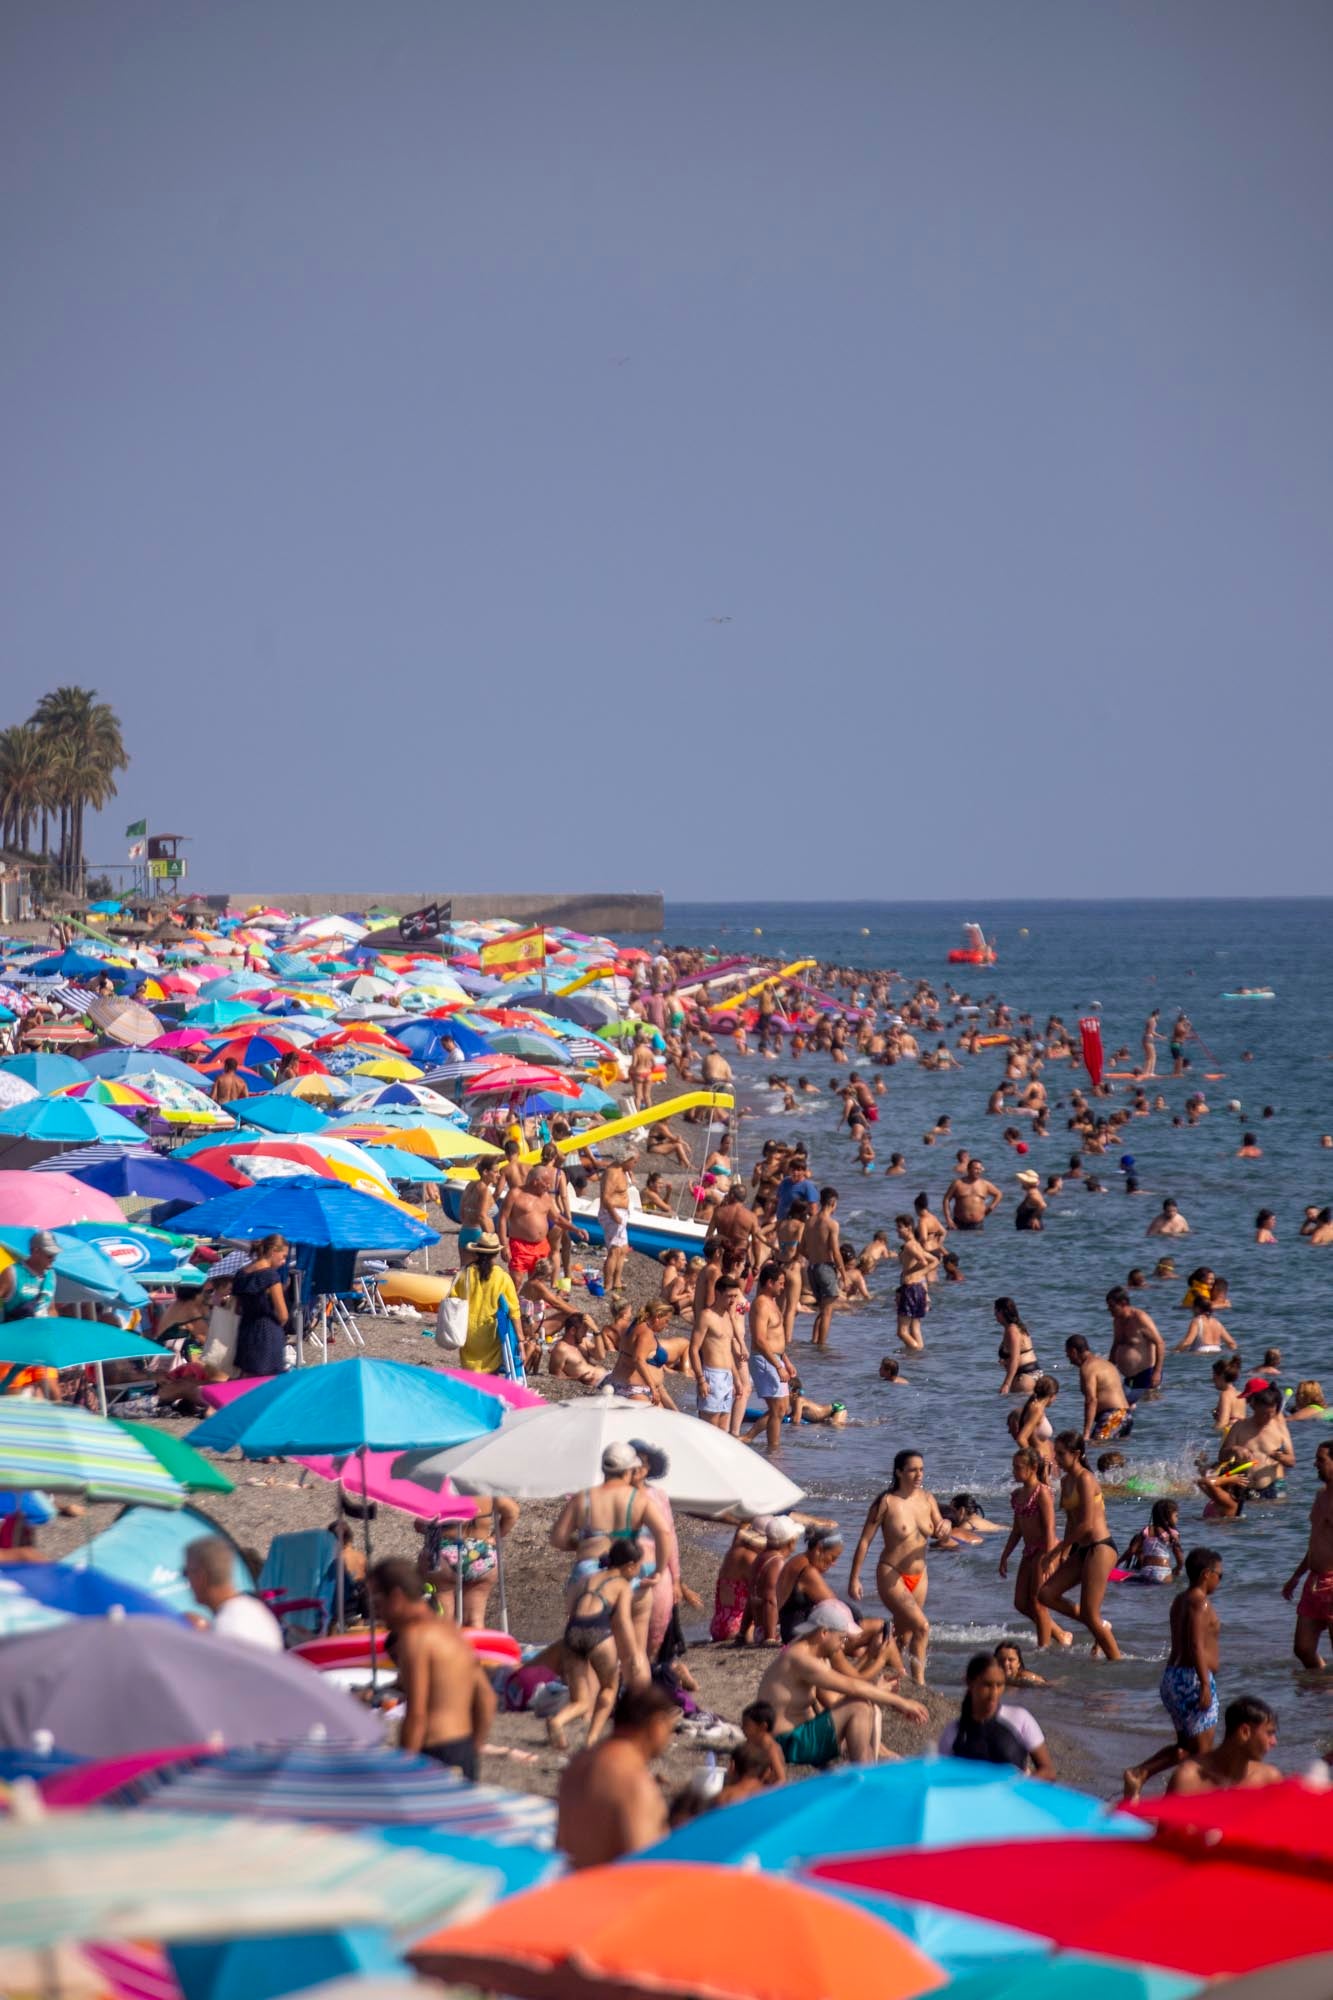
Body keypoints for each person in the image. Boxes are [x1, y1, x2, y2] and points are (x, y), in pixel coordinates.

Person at [754, 1602, 929, 1768]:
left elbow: (845, 1687)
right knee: (859, 1707)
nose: (843, 1644)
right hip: (787, 1744)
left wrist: (873, 1669)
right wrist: (903, 1703)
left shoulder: (808, 1650)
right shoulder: (801, 1658)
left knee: (862, 1708)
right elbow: (851, 1687)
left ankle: (867, 1769)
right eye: (841, 1638)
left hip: (798, 1736)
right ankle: (863, 1775)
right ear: (823, 1633)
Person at [369, 1557, 495, 1777]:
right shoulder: (453, 1633)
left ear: (396, 1597)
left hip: (434, 1751)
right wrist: (473, 1749)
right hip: (462, 1750)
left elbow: (417, 1715)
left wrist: (403, 1768)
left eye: (377, 1603)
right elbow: (487, 1699)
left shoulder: (415, 1637)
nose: (377, 1614)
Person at [1122, 1547, 1224, 1799]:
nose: (1220, 1581)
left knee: (1186, 1749)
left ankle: (1140, 1773)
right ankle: (1181, 1808)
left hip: (1173, 1677)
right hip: (1191, 1679)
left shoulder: (1180, 1600)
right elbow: (1196, 1645)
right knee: (1201, 1756)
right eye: (1220, 1575)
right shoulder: (1199, 1602)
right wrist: (1203, 1684)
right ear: (1206, 1574)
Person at [847, 1449, 948, 1683]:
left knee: (905, 1635)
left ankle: (882, 1669)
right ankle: (919, 1683)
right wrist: (854, 1578)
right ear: (899, 1472)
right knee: (922, 1626)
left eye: (921, 1469)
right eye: (913, 1470)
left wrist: (947, 1527)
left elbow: (941, 1530)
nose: (919, 1474)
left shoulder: (927, 1499)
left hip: (920, 1574)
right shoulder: (886, 1503)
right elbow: (864, 1542)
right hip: (891, 1573)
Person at [556, 1682, 679, 1867]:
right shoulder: (634, 1783)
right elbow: (639, 1867)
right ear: (657, 1723)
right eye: (671, 1729)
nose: (669, 1738)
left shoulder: (578, 1763)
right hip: (612, 1890)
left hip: (575, 1885)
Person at [547, 1541, 646, 1750]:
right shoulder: (622, 1585)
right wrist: (634, 1654)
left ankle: (558, 1721)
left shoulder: (588, 1578)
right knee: (610, 1687)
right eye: (638, 1566)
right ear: (629, 1565)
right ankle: (592, 1739)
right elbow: (624, 1621)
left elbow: (571, 1609)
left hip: (573, 1632)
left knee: (581, 1700)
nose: (638, 1571)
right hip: (597, 1632)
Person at [1039, 1433, 1121, 1660]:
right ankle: (1100, 1625)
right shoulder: (1065, 1481)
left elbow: (1086, 1524)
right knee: (1046, 1594)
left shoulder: (1086, 1478)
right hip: (1081, 1549)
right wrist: (1064, 1554)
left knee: (1089, 1613)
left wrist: (1054, 1551)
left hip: (1100, 1547)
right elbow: (1072, 1521)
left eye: (1062, 1454)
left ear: (1076, 1454)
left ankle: (1117, 1661)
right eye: (1056, 1454)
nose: (1057, 1458)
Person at [938, 1652, 1054, 1776]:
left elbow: (1048, 1771)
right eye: (987, 1685)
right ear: (969, 1683)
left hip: (1011, 1794)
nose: (994, 1694)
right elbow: (941, 1777)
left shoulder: (1020, 1718)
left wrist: (1023, 1784)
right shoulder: (953, 1731)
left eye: (999, 1685)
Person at [998, 1448, 1070, 1650]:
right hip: (1029, 1550)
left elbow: (1049, 1529)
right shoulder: (1018, 1495)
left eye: (1018, 1467)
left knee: (1038, 1603)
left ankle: (1043, 1648)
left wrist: (1048, 1558)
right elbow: (1017, 1530)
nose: (1014, 1470)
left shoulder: (1042, 1493)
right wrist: (1004, 1555)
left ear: (1033, 1468)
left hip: (1044, 1550)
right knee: (1021, 1603)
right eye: (1013, 1466)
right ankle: (1059, 1633)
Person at [418, 1494, 519, 1629]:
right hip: (481, 1553)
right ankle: (475, 1649)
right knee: (474, 1619)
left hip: (445, 1553)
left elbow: (419, 1525)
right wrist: (495, 1537)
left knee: (444, 1619)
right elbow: (513, 1512)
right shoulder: (488, 1492)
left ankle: (447, 1647)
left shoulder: (441, 1493)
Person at [184, 1535, 283, 1651]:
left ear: (201, 1576)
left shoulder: (227, 1628)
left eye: (186, 1573)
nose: (187, 1582)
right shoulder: (252, 1608)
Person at [1283, 1439, 1333, 1669]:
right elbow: (1315, 1542)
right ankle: (1321, 1693)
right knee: (1302, 1649)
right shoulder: (1320, 1497)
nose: (1315, 1464)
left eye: (1321, 1460)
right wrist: (1296, 1576)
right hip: (1314, 1580)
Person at [1167, 1695, 1281, 1794]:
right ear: (1245, 1732)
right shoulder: (1189, 1779)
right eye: (1269, 1733)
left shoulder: (1269, 1780)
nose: (1274, 1742)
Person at [447, 1232, 521, 1375]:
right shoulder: (502, 1277)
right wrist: (521, 1339)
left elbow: (453, 1299)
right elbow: (514, 1310)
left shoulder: (464, 1274)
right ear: (496, 1254)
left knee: (472, 1376)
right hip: (491, 1333)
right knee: (490, 1377)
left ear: (476, 1252)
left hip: (468, 1331)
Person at [748, 1259, 795, 1450]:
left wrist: (786, 1360)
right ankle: (772, 1449)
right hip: (765, 1359)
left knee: (781, 1408)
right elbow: (759, 1339)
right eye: (781, 1283)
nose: (783, 1287)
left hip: (776, 1358)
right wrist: (777, 1366)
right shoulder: (761, 1304)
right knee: (778, 1409)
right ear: (769, 1283)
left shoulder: (772, 1302)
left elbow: (776, 1336)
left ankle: (753, 1439)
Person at [231, 1234, 290, 1377]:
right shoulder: (271, 1276)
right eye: (283, 1256)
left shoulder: (241, 1274)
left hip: (246, 1330)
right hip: (267, 1332)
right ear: (272, 1251)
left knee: (247, 1378)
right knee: (267, 1381)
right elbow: (283, 1315)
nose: (283, 1261)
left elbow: (238, 1308)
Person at [776, 1526, 845, 1644]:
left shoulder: (797, 1560)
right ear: (819, 1549)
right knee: (874, 1629)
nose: (834, 1563)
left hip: (790, 1630)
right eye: (833, 1558)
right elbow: (835, 1608)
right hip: (798, 1635)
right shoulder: (808, 1572)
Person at [741, 1514, 801, 1644]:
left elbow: (751, 1600)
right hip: (770, 1630)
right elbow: (770, 1601)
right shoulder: (777, 1562)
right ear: (790, 1542)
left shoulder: (760, 1558)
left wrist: (742, 1632)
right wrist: (770, 1638)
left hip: (760, 1629)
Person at [1065, 1335, 1132, 1445]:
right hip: (1126, 1415)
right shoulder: (1105, 1364)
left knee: (1094, 1447)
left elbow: (1091, 1400)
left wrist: (1086, 1433)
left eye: (1068, 1355)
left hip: (1114, 1417)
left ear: (1073, 1351)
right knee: (1113, 1455)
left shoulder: (1087, 1367)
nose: (1070, 1360)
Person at [802, 1188, 846, 1349]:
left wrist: (814, 1259)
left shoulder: (809, 1221)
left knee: (822, 1308)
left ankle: (814, 1342)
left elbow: (801, 1248)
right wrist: (844, 1274)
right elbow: (835, 1251)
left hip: (812, 1269)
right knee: (828, 1312)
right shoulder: (832, 1224)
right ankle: (822, 1347)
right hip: (825, 1269)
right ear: (833, 1203)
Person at [710, 1521, 766, 1642]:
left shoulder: (732, 1552)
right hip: (738, 1628)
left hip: (718, 1624)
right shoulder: (750, 1557)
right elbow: (758, 1598)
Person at [1106, 1287, 1165, 1401]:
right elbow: (1116, 1345)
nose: (1109, 1309)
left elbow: (1160, 1343)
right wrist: (1109, 1369)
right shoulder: (1117, 1321)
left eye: (1112, 1306)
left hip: (1147, 1375)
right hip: (1129, 1378)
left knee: (1147, 1411)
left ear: (1123, 1303)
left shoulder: (1140, 1318)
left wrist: (1157, 1372)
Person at [893, 1215, 936, 1352]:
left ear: (909, 1228)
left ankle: (916, 1351)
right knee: (915, 1329)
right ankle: (918, 1358)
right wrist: (921, 1273)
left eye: (900, 1227)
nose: (897, 1230)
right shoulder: (916, 1245)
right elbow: (935, 1260)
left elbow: (923, 1262)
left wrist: (910, 1271)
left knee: (902, 1332)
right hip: (919, 1289)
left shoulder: (909, 1245)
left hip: (910, 1289)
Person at [1120, 1500, 1184, 1583]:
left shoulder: (1147, 1530)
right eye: (1176, 1515)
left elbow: (1131, 1550)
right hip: (1163, 1572)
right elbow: (1180, 1558)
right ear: (1168, 1516)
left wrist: (1117, 1563)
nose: (1177, 1519)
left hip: (1146, 1571)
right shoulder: (1173, 1534)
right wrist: (1178, 1568)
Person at [597, 1153, 634, 1296]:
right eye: (634, 1162)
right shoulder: (613, 1173)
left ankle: (617, 1282)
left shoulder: (622, 1170)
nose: (634, 1165)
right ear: (626, 1159)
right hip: (613, 1214)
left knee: (623, 1249)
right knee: (614, 1250)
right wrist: (614, 1215)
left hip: (620, 1213)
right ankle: (608, 1283)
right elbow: (606, 1196)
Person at [995, 1296, 1040, 1395]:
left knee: (1018, 1410)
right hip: (1032, 1374)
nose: (994, 1315)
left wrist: (1006, 1384)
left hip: (1024, 1377)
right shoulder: (1016, 1327)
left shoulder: (1012, 1330)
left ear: (1002, 1312)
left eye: (996, 1311)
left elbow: (1016, 1359)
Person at [943, 1158, 1002, 1231]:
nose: (978, 1171)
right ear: (968, 1169)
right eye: (976, 1169)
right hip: (958, 1224)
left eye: (980, 1169)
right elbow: (946, 1199)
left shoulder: (985, 1184)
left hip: (977, 1225)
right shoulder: (958, 1183)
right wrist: (948, 1219)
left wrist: (991, 1207)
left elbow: (998, 1194)